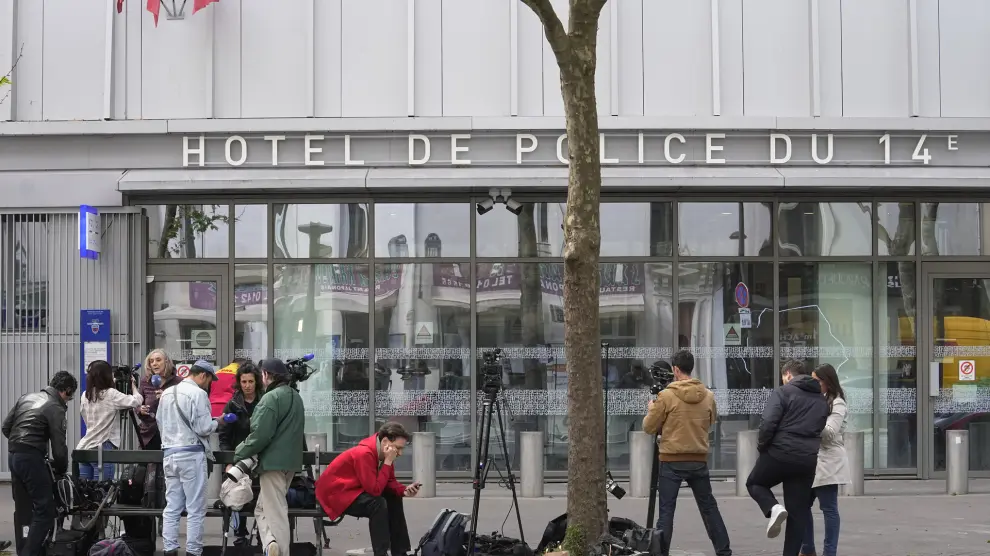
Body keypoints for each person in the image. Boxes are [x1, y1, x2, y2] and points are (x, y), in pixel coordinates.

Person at [642, 349, 731, 556]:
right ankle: (724, 550)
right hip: (698, 460)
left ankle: (661, 552)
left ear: (675, 369)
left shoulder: (666, 396)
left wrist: (650, 409)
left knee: (666, 512)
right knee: (709, 508)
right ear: (691, 368)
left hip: (671, 460)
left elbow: (648, 427)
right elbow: (710, 422)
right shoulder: (708, 396)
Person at [746, 359, 828, 556]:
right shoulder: (821, 400)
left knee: (755, 483)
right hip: (806, 460)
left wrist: (763, 447)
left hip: (779, 453)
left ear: (788, 375)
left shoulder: (783, 392)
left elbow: (767, 424)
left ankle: (773, 508)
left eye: (784, 377)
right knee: (798, 514)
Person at [233, 358, 306, 556]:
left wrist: (239, 453)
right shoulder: (295, 396)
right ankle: (270, 544)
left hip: (272, 463)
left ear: (266, 375)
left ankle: (280, 551)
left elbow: (259, 436)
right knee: (262, 509)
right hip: (290, 462)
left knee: (277, 512)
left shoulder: (270, 398)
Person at [315, 422, 422, 556]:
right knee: (377, 504)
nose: (399, 453)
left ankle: (400, 552)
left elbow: (390, 482)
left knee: (393, 497)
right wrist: (388, 462)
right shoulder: (365, 453)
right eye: (398, 448)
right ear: (385, 441)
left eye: (402, 449)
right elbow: (374, 490)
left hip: (353, 490)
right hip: (336, 495)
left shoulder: (386, 452)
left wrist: (404, 490)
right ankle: (381, 553)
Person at [2, 371, 77, 556]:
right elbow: (59, 447)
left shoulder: (26, 397)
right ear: (66, 391)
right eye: (71, 396)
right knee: (45, 510)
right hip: (31, 459)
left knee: (23, 507)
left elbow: (6, 427)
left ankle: (23, 547)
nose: (68, 401)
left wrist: (20, 445)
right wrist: (60, 469)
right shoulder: (56, 407)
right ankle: (31, 552)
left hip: (14, 456)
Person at [158, 360, 221, 556]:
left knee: (172, 507)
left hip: (169, 454)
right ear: (203, 375)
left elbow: (160, 422)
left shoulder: (167, 393)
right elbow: (203, 428)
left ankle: (169, 549)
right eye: (210, 380)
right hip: (191, 455)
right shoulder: (199, 394)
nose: (209, 385)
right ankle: (193, 551)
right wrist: (218, 423)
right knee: (195, 509)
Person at [799, 364, 849, 556]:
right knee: (801, 505)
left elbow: (828, 433)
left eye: (817, 381)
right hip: (811, 460)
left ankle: (829, 552)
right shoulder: (815, 399)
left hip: (828, 462)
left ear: (828, 382)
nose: (814, 384)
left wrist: (809, 421)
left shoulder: (838, 403)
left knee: (829, 508)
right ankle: (808, 549)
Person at [219, 362, 265, 545]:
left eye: (251, 381)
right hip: (238, 458)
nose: (247, 385)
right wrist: (228, 462)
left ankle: (262, 534)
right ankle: (240, 534)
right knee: (237, 496)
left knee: (261, 497)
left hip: (260, 457)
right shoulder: (232, 404)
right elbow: (224, 437)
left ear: (257, 382)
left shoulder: (264, 401)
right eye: (244, 381)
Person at [77, 360, 144, 480]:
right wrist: (133, 386)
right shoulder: (111, 394)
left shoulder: (85, 395)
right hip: (102, 448)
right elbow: (137, 400)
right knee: (103, 489)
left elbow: (85, 417)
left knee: (86, 491)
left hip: (84, 448)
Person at [135, 348, 181, 450]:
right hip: (149, 434)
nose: (154, 363)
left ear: (166, 362)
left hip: (172, 434)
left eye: (158, 360)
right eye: (151, 361)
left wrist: (167, 397)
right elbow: (137, 404)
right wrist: (140, 410)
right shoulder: (145, 382)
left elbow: (183, 407)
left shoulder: (178, 382)